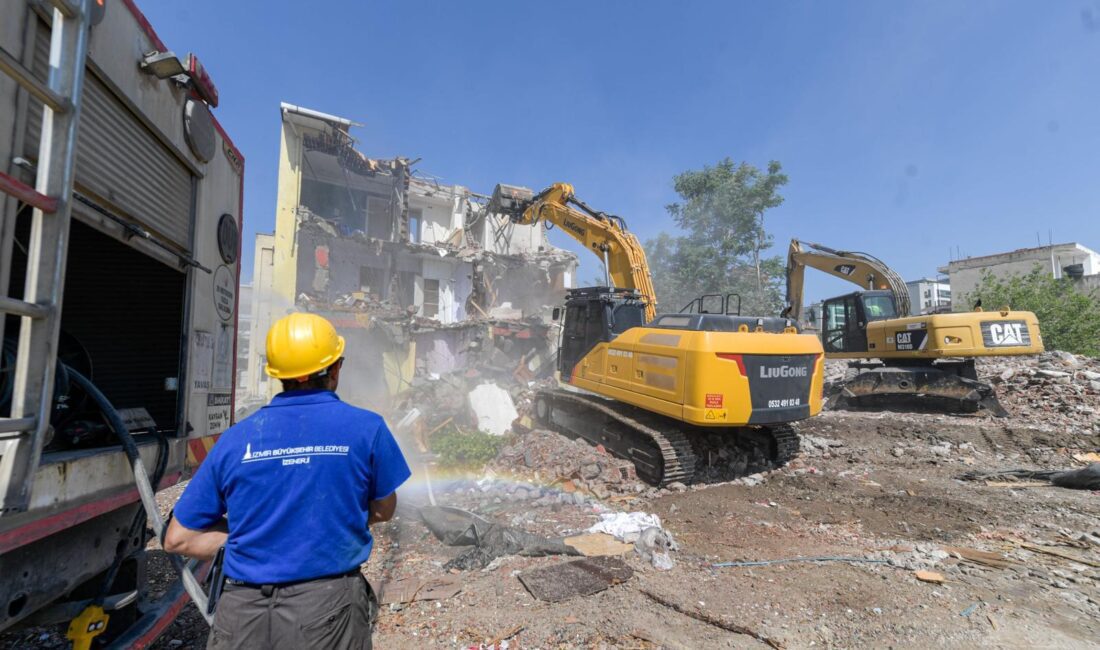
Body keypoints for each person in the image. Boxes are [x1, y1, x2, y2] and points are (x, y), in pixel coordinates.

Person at [164, 312, 410, 650]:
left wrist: (259, 535)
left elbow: (178, 539)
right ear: (335, 368)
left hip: (240, 614)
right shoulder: (366, 429)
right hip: (326, 609)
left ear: (278, 376)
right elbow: (384, 509)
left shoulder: (236, 439)